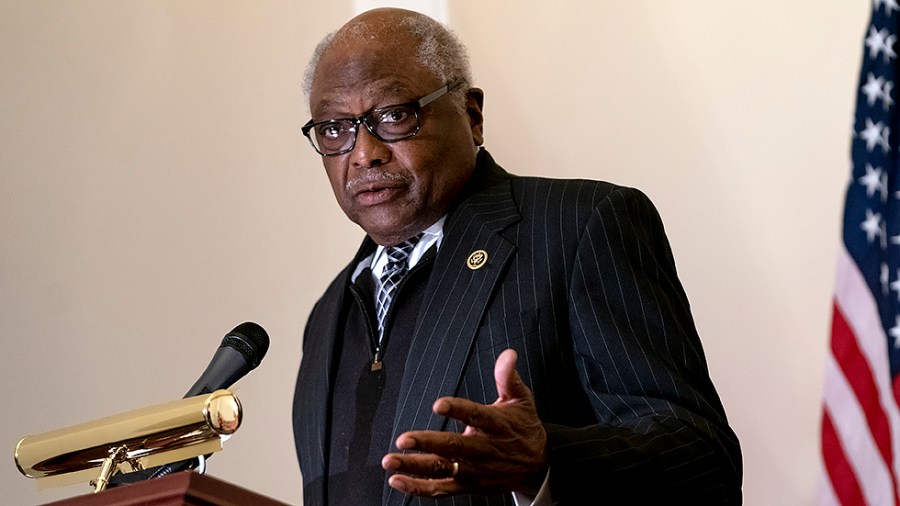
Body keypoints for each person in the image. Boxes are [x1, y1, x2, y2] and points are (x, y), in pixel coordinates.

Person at [292, 8, 742, 505]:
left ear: (472, 115)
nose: (363, 153)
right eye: (335, 129)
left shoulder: (579, 225)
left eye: (394, 115)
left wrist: (547, 462)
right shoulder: (327, 313)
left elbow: (702, 460)